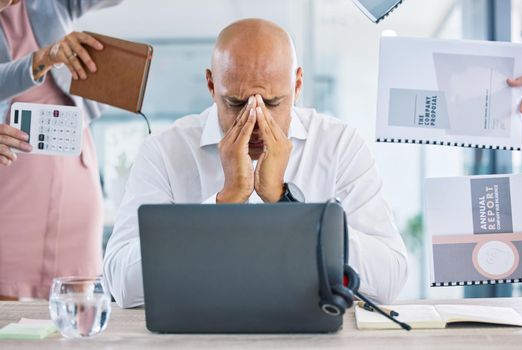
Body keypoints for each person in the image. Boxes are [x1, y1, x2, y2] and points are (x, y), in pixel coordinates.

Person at [103, 18, 408, 308]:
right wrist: (222, 205)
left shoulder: (339, 145)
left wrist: (286, 205)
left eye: (274, 103)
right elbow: (122, 284)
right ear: (211, 85)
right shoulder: (165, 150)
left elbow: (389, 279)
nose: (256, 123)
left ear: (298, 84)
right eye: (236, 103)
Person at [0, 0, 123, 300]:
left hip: (72, 169)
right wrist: (45, 57)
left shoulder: (49, 5)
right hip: (11, 174)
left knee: (77, 303)